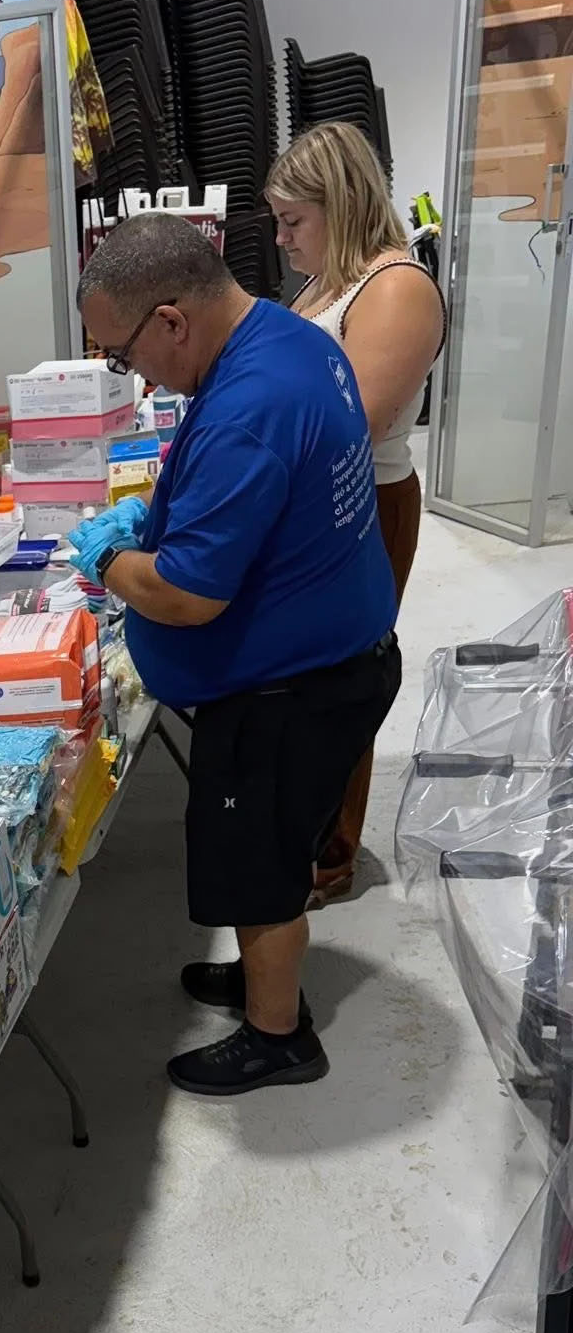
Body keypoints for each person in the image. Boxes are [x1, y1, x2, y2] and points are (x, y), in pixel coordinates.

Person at [72, 212, 401, 1098]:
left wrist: (110, 560)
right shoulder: (289, 340)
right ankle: (265, 972)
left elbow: (188, 595)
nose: (132, 373)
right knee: (269, 850)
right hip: (332, 658)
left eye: (124, 355)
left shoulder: (250, 409)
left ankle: (277, 1035)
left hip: (291, 691)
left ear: (171, 321)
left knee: (258, 868)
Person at [267, 121, 445, 905]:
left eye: (293, 221)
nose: (281, 239)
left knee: (343, 677)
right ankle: (297, 829)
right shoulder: (326, 283)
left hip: (362, 504)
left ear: (340, 205)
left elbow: (354, 424)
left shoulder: (397, 288)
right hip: (311, 501)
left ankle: (329, 855)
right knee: (303, 678)